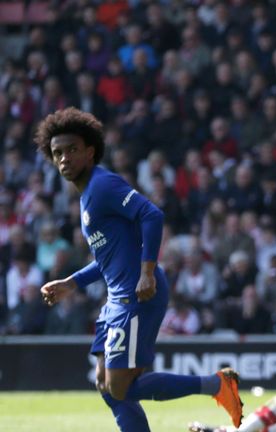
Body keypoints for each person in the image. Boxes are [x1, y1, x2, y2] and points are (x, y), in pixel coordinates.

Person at [34, 108, 243, 431]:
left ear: (90, 152)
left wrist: (147, 271)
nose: (64, 158)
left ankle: (218, 385)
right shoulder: (86, 195)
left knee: (121, 387)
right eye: (57, 152)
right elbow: (109, 259)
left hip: (136, 294)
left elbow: (152, 214)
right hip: (116, 298)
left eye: (72, 150)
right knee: (106, 385)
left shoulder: (103, 185)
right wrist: (72, 282)